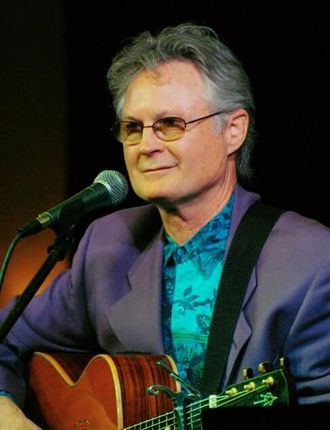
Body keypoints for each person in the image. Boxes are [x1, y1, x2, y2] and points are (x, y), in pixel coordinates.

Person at [0, 22, 330, 429]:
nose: (147, 145)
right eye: (132, 128)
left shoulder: (313, 260)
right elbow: (5, 339)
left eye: (170, 123)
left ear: (233, 130)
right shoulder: (106, 245)